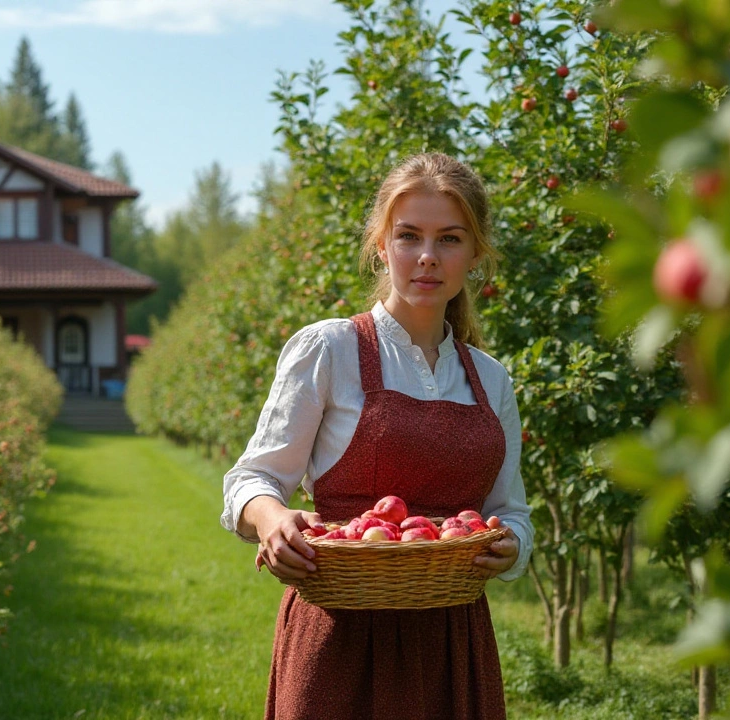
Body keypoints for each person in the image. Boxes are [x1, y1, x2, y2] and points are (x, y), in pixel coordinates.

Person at [221, 153, 535, 720]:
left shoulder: (490, 379)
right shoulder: (330, 350)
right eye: (409, 235)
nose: (427, 257)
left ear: (476, 253)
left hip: (452, 643)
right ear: (381, 244)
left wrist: (510, 544)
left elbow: (510, 510)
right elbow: (253, 479)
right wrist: (273, 521)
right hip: (342, 641)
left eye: (450, 239)